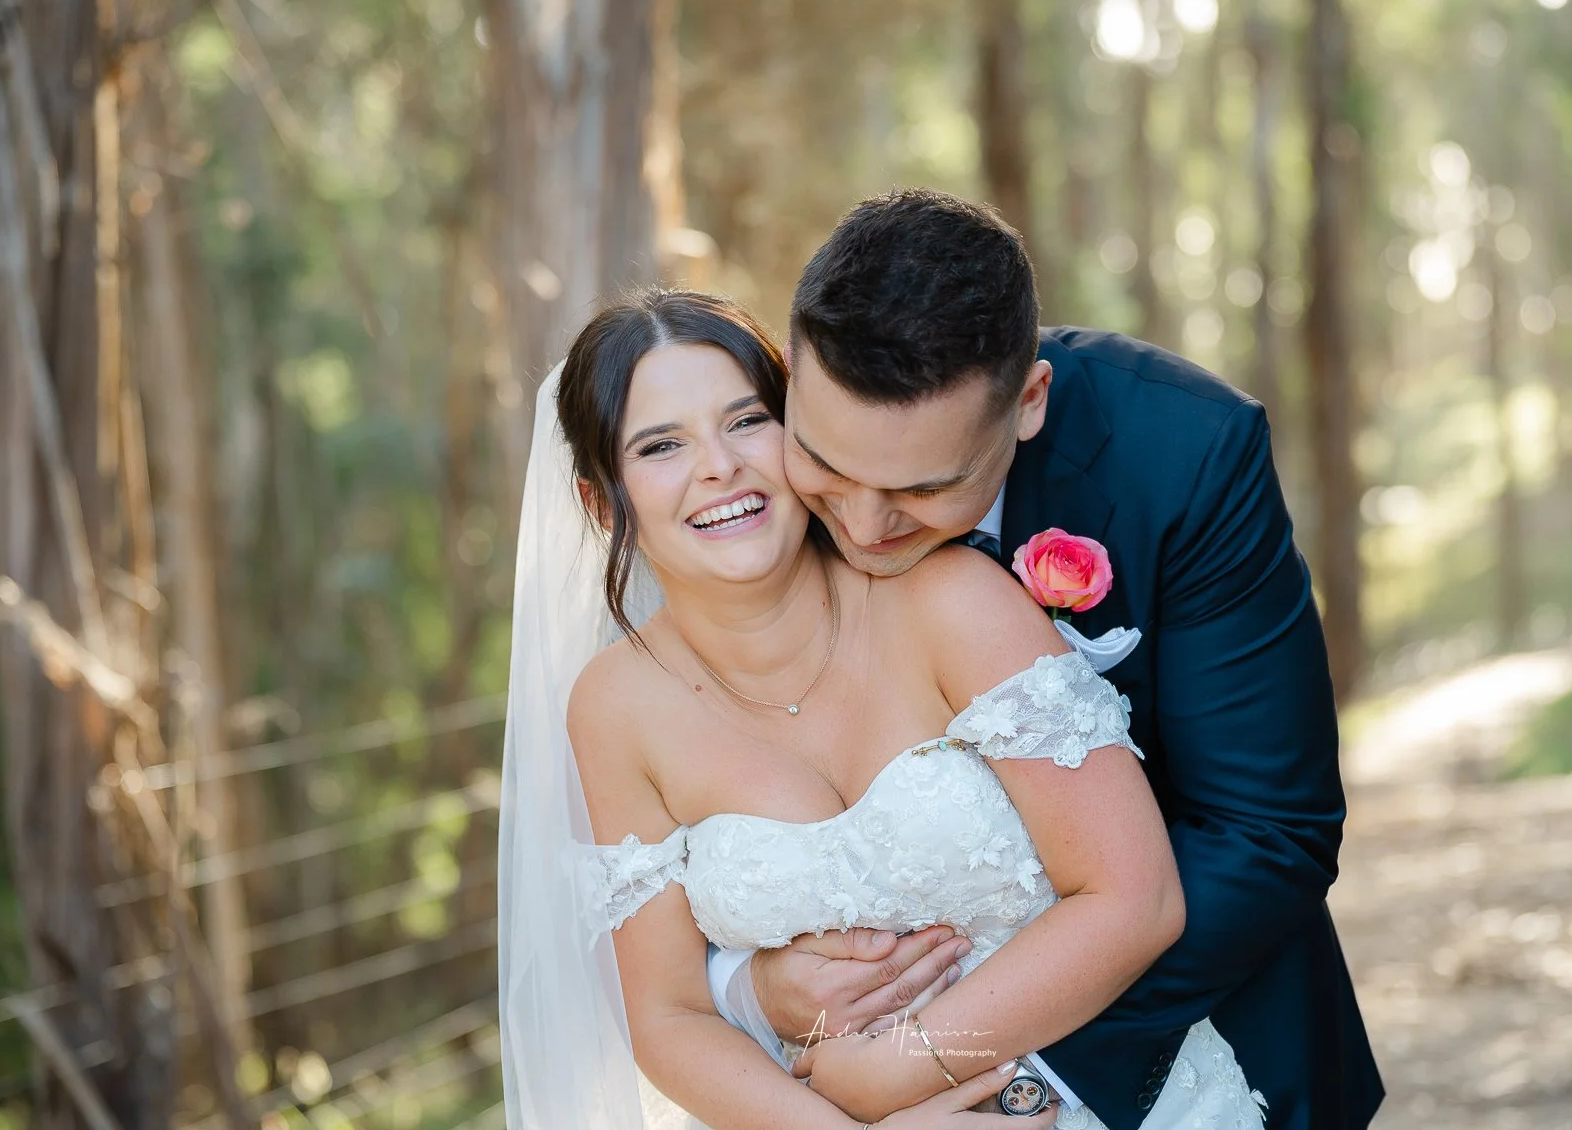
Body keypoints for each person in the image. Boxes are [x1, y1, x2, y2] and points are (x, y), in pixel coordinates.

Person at [496, 289, 1267, 1129]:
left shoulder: (951, 600)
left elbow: (1134, 898)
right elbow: (668, 1016)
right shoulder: (614, 707)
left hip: (1114, 1098)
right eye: (660, 445)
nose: (717, 466)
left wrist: (902, 1070)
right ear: (605, 503)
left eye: (747, 421)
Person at [704, 191, 1382, 1130]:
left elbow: (1268, 831)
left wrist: (973, 1069)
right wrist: (752, 984)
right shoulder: (742, 499)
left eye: (923, 489)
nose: (862, 527)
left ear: (1028, 403)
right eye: (826, 465)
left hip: (1184, 1056)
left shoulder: (1182, 458)